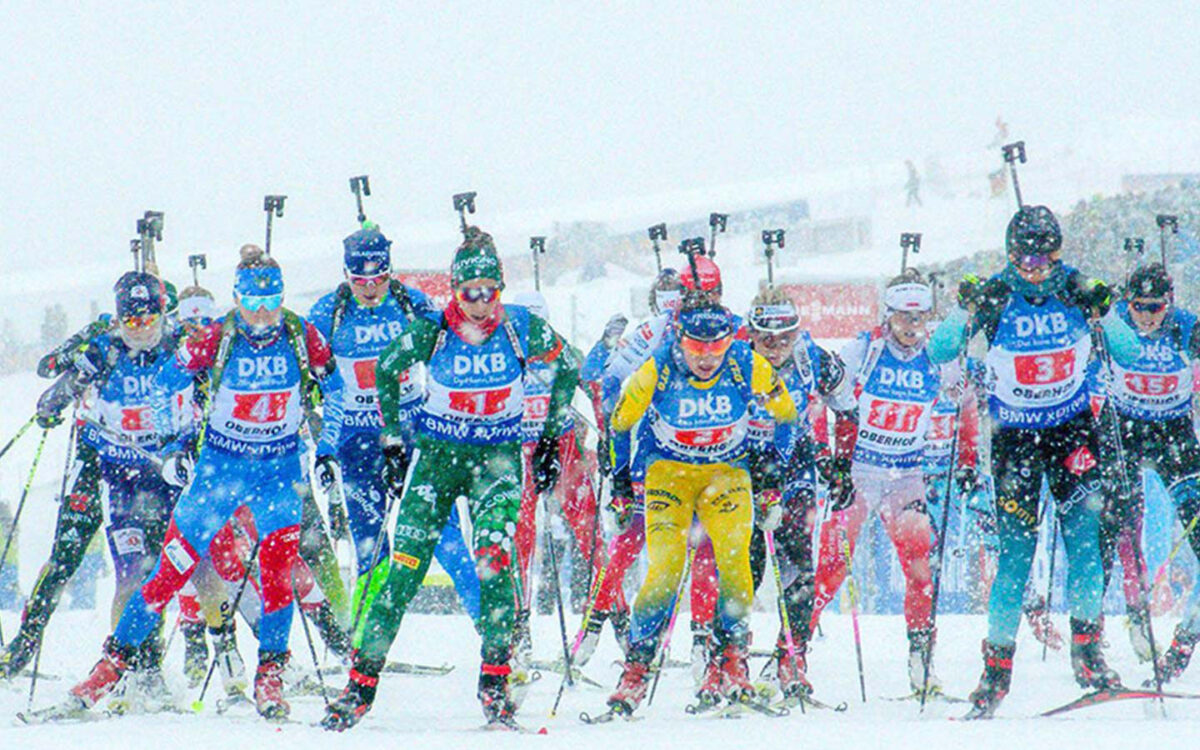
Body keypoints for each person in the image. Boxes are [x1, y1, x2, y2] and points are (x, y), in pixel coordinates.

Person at [62, 245, 346, 721]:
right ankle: (110, 667)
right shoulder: (217, 336)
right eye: (251, 302)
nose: (261, 313)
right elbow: (162, 386)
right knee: (167, 574)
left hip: (278, 476)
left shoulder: (301, 335)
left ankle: (270, 675)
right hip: (219, 472)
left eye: (270, 299)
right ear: (236, 298)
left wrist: (329, 450)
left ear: (281, 295)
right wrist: (173, 446)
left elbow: (335, 394)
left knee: (276, 578)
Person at [321, 226, 576, 731]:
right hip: (438, 460)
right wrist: (393, 440)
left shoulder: (521, 327)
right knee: (403, 573)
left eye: (489, 293)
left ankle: (496, 682)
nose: (480, 306)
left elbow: (567, 367)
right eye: (469, 294)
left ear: (500, 289)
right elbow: (390, 368)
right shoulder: (433, 330)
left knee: (493, 561)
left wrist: (549, 438)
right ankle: (360, 686)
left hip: (498, 463)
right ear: (454, 292)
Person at [927, 204, 1141, 718]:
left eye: (1045, 256)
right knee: (1016, 560)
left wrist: (1105, 309)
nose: (1035, 267)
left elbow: (1129, 354)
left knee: (1084, 545)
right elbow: (940, 350)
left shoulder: (1075, 287)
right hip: (1015, 439)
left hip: (1070, 432)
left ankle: (1088, 656)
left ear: (1058, 253)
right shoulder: (997, 292)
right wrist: (963, 307)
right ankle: (995, 673)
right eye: (1024, 257)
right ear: (1010, 255)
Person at [0, 272, 188, 700]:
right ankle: (22, 648)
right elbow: (50, 369)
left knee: (145, 570)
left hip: (152, 474)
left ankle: (146, 664)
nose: (140, 327)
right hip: (97, 468)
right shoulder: (104, 342)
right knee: (64, 556)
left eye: (150, 317)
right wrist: (58, 390)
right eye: (131, 319)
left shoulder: (176, 346)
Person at [605, 301, 796, 715]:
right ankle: (636, 670)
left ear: (730, 340)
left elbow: (787, 416)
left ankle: (732, 661)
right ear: (679, 338)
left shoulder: (746, 363)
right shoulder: (659, 367)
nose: (707, 356)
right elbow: (619, 421)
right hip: (668, 474)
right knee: (664, 570)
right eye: (696, 346)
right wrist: (619, 480)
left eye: (717, 346)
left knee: (735, 562)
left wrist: (773, 474)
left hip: (726, 473)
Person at [308, 227, 481, 630]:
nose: (369, 289)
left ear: (391, 271)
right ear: (346, 274)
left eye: (379, 277)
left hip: (410, 433)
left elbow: (454, 345)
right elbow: (308, 372)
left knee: (445, 536)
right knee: (370, 547)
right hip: (357, 442)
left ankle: (493, 634)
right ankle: (366, 638)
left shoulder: (410, 304)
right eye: (359, 280)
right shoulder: (326, 313)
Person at [808, 270, 948, 696]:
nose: (911, 326)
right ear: (887, 316)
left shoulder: (939, 353)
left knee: (921, 570)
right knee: (831, 568)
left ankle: (920, 660)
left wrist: (965, 452)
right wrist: (828, 457)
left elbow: (965, 398)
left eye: (919, 317)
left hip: (906, 476)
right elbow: (822, 396)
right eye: (903, 317)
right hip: (861, 473)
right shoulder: (863, 350)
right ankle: (790, 655)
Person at [742, 288, 855, 699]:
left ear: (797, 331)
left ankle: (792, 657)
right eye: (765, 338)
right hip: (743, 467)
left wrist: (842, 465)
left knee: (799, 566)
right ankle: (730, 660)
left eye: (785, 336)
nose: (775, 347)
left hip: (794, 469)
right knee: (746, 568)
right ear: (751, 332)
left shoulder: (815, 361)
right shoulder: (735, 357)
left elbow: (847, 408)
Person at [1098, 263, 1200, 677]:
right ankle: (1108, 632)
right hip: (1123, 428)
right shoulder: (1115, 324)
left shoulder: (1186, 328)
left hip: (1173, 434)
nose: (1147, 315)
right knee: (1118, 532)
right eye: (1139, 306)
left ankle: (1182, 645)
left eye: (1155, 307)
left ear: (1169, 302)